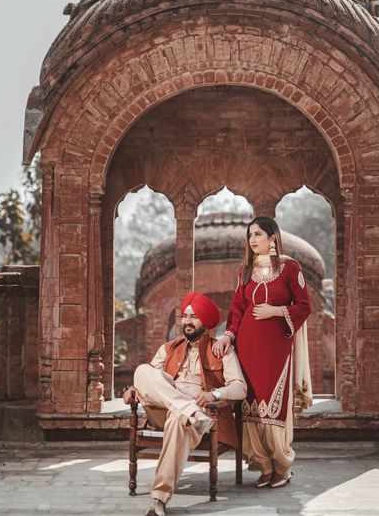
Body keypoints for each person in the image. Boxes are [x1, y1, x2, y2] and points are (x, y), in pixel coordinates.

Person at [123, 292, 247, 516]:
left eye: (194, 316)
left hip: (201, 409)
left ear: (206, 322)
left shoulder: (221, 350)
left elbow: (240, 388)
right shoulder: (167, 348)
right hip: (168, 409)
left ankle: (159, 500)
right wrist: (134, 391)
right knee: (143, 370)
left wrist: (214, 395)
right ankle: (189, 411)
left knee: (179, 419)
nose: (187, 321)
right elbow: (149, 380)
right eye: (185, 315)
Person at [212, 216, 312, 489]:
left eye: (257, 234)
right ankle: (263, 465)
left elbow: (304, 306)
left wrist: (276, 311)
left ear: (272, 237)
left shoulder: (290, 268)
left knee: (272, 408)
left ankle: (281, 465)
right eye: (249, 235)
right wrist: (228, 335)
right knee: (250, 407)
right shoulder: (245, 270)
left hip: (276, 348)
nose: (252, 240)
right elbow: (237, 309)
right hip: (247, 348)